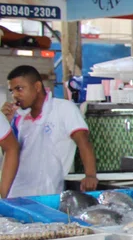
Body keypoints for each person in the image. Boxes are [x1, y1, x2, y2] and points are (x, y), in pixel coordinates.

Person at [2, 66, 97, 196]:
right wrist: (5, 123)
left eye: (19, 89)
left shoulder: (63, 108)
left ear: (37, 86)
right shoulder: (20, 118)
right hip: (17, 193)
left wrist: (90, 175)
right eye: (11, 91)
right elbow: (10, 153)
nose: (15, 95)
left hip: (48, 193)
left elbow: (83, 142)